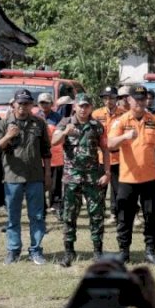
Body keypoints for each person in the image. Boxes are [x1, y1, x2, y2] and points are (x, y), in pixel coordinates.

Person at [108, 85, 155, 266]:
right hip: (127, 178)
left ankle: (150, 251)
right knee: (124, 217)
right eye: (136, 99)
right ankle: (123, 252)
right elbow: (110, 144)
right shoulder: (121, 121)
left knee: (150, 215)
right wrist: (125, 136)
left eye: (143, 99)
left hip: (150, 178)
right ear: (129, 100)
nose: (140, 102)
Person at [0, 89, 52, 265]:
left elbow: (46, 152)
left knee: (37, 216)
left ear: (32, 105)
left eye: (27, 103)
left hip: (35, 176)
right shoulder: (4, 124)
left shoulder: (39, 124)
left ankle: (36, 250)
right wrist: (9, 136)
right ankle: (13, 250)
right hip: (13, 177)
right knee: (13, 216)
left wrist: (48, 174)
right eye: (20, 103)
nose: (23, 107)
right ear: (13, 104)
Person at [52, 93, 110, 267]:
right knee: (69, 214)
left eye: (86, 106)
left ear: (91, 107)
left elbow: (106, 150)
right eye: (80, 105)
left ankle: (98, 252)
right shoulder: (65, 122)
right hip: (72, 178)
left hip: (93, 178)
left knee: (96, 215)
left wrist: (107, 172)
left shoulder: (97, 126)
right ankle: (69, 252)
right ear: (74, 106)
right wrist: (64, 132)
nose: (83, 109)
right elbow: (54, 142)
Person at [92, 86, 125, 224]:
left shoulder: (124, 114)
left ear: (116, 99)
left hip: (119, 158)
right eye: (105, 98)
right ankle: (98, 215)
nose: (108, 101)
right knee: (99, 188)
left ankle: (115, 215)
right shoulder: (96, 114)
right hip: (100, 157)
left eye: (111, 98)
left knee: (118, 190)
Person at [35, 93, 64, 217]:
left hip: (56, 156)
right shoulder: (34, 117)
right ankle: (41, 207)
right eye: (42, 103)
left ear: (51, 104)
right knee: (39, 183)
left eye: (47, 102)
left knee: (55, 184)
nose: (44, 105)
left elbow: (59, 134)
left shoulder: (58, 117)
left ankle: (56, 206)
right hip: (39, 157)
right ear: (38, 104)